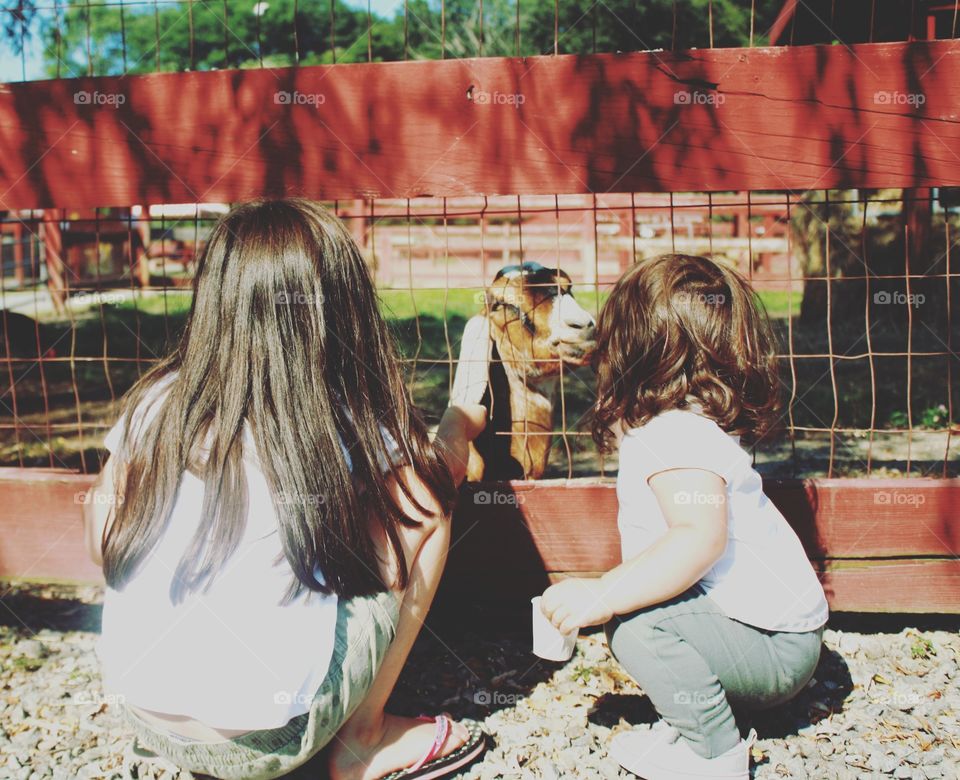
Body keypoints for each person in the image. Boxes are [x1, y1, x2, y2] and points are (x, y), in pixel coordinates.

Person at [82, 198, 490, 780]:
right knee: (425, 508)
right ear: (342, 308)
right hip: (273, 736)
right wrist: (457, 426)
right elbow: (433, 483)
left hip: (148, 717)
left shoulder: (155, 404)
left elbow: (102, 539)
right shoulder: (343, 420)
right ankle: (362, 741)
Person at [538, 254, 829, 780]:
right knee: (645, 606)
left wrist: (600, 593)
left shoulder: (673, 435)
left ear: (634, 349)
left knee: (635, 625)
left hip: (774, 651)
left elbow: (699, 540)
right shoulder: (686, 421)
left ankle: (713, 753)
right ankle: (694, 715)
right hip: (776, 640)